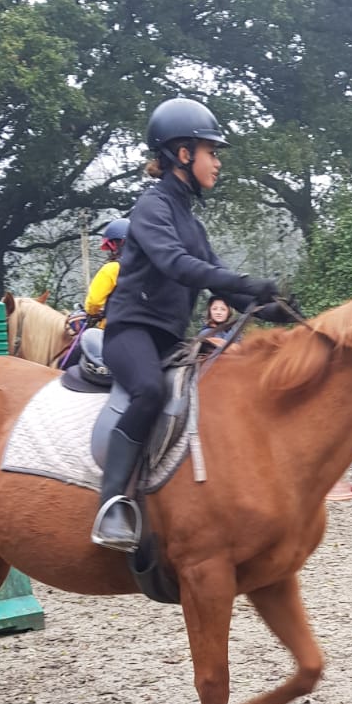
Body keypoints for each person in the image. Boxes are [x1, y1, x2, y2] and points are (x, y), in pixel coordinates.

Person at [92, 97, 283, 551]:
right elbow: (176, 264)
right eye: (211, 152)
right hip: (131, 334)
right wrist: (245, 282)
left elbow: (227, 290)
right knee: (149, 391)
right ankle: (113, 502)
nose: (217, 163)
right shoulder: (151, 208)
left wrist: (278, 308)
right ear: (183, 153)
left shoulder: (192, 224)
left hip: (171, 341)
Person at [82, 218, 130, 330]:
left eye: (111, 247)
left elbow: (94, 302)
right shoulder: (150, 267)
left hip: (114, 329)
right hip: (152, 328)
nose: (110, 251)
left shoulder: (112, 268)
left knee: (82, 345)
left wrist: (93, 312)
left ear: (118, 243)